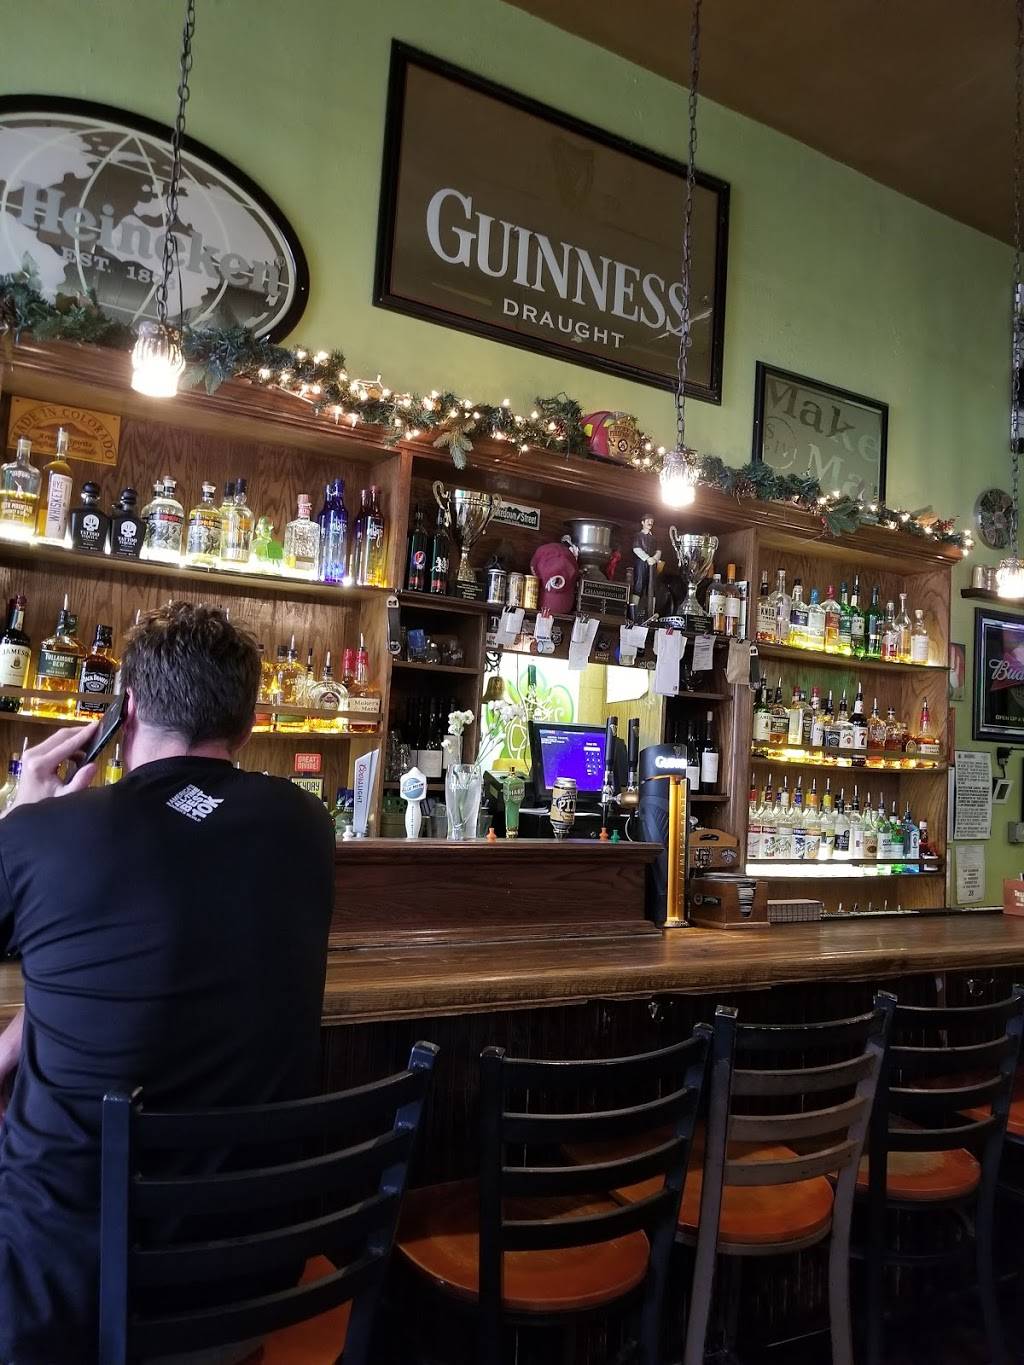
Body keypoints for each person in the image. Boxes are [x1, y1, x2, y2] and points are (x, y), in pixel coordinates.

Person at [0, 603, 336, 1364]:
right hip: (251, 1288)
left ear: (124, 711)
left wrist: (24, 816)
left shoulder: (44, 833)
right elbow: (115, 967)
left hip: (58, 1303)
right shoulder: (306, 824)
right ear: (247, 725)